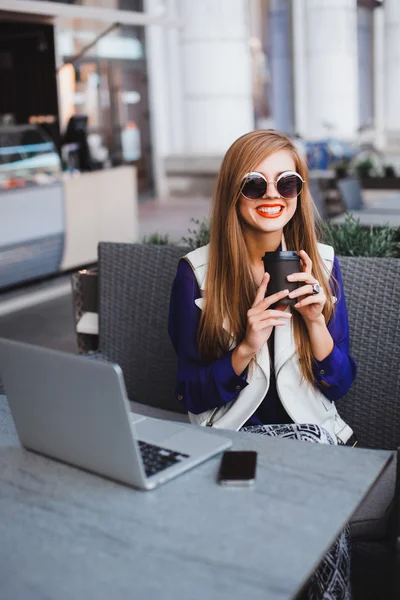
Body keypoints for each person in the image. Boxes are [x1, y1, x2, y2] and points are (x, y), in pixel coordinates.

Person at [168, 130, 357, 600]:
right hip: (229, 439)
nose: (272, 196)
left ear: (299, 192)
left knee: (310, 475)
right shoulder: (195, 274)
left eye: (286, 183)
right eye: (255, 184)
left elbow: (340, 384)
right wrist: (246, 347)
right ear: (234, 192)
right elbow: (190, 392)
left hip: (313, 439)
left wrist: (316, 322)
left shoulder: (325, 266)